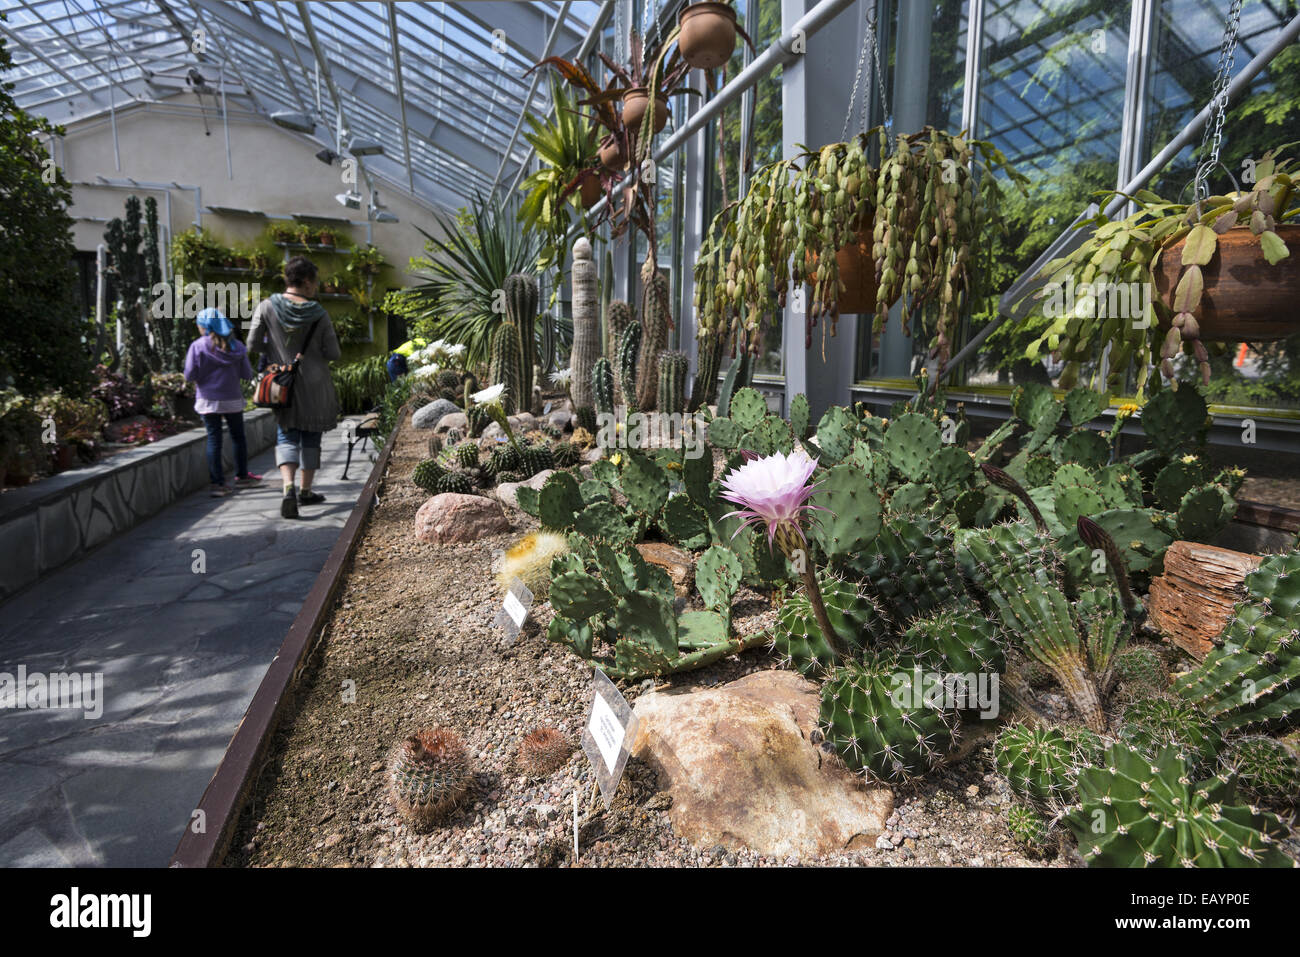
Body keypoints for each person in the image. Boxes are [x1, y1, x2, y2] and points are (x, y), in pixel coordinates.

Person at [246, 256, 341, 520]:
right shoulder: (319, 313)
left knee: (286, 434)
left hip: (282, 384)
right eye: (316, 282)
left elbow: (252, 344)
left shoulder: (266, 306)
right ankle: (306, 490)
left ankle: (288, 487)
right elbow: (333, 352)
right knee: (311, 436)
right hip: (315, 385)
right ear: (308, 281)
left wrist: (277, 352)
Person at [184, 307, 261, 497]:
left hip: (208, 400)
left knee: (214, 440)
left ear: (204, 326)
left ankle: (218, 484)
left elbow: (189, 374)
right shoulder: (237, 347)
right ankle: (242, 476)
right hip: (232, 399)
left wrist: (203, 376)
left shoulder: (197, 346)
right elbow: (246, 374)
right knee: (238, 438)